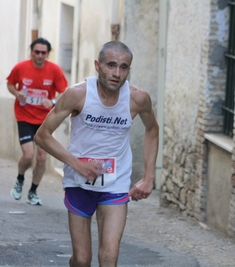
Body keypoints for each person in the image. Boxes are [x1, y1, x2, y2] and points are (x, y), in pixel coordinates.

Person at [35, 41, 159, 267]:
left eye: (123, 67)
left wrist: (149, 176)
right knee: (82, 260)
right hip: (78, 182)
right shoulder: (77, 94)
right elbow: (42, 135)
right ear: (97, 65)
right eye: (111, 65)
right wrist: (78, 165)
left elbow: (152, 129)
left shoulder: (137, 99)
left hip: (115, 182)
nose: (116, 73)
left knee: (108, 256)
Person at [7, 37, 67, 205]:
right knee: (28, 155)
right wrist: (17, 93)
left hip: (45, 120)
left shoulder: (55, 70)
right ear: (31, 52)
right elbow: (10, 84)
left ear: (47, 53)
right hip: (24, 116)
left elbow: (64, 92)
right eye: (36, 52)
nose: (40, 55)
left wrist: (53, 102)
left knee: (41, 158)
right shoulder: (21, 68)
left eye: (43, 52)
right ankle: (20, 179)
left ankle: (33, 191)